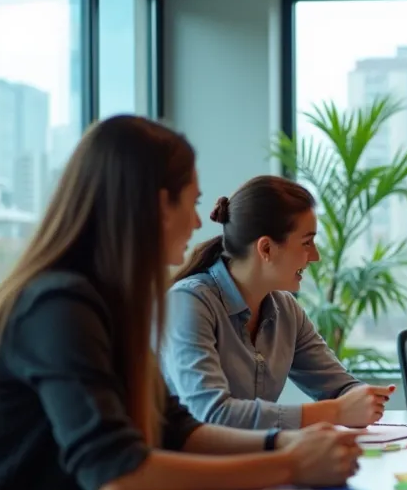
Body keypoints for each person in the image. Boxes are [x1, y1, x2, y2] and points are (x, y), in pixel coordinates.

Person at [0, 117, 361, 490]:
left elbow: (179, 430)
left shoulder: (109, 305)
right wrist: (290, 465)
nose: (197, 221)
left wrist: (282, 443)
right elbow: (118, 475)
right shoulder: (58, 305)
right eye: (190, 203)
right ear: (155, 206)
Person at [162, 175, 393, 430]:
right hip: (191, 466)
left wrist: (364, 398)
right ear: (266, 249)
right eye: (307, 242)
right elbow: (211, 414)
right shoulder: (189, 302)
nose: (314, 256)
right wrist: (335, 411)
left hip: (253, 462)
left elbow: (340, 388)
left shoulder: (286, 310)